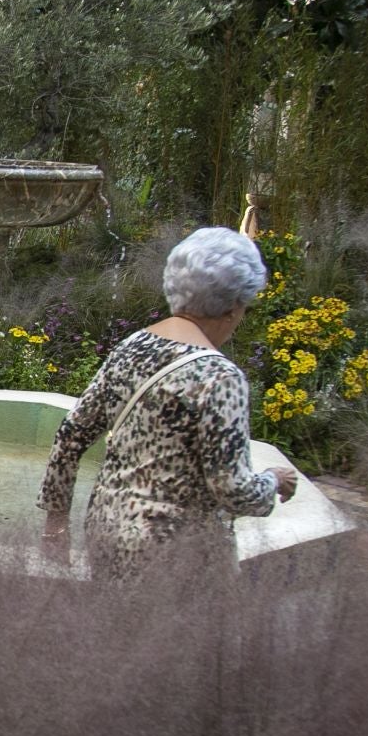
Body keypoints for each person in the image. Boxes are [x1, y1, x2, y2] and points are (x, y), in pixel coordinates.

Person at [38, 227, 298, 579]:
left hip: (108, 528)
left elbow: (70, 436)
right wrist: (272, 480)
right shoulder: (221, 377)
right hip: (176, 552)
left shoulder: (132, 348)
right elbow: (234, 491)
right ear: (233, 307)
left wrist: (55, 523)